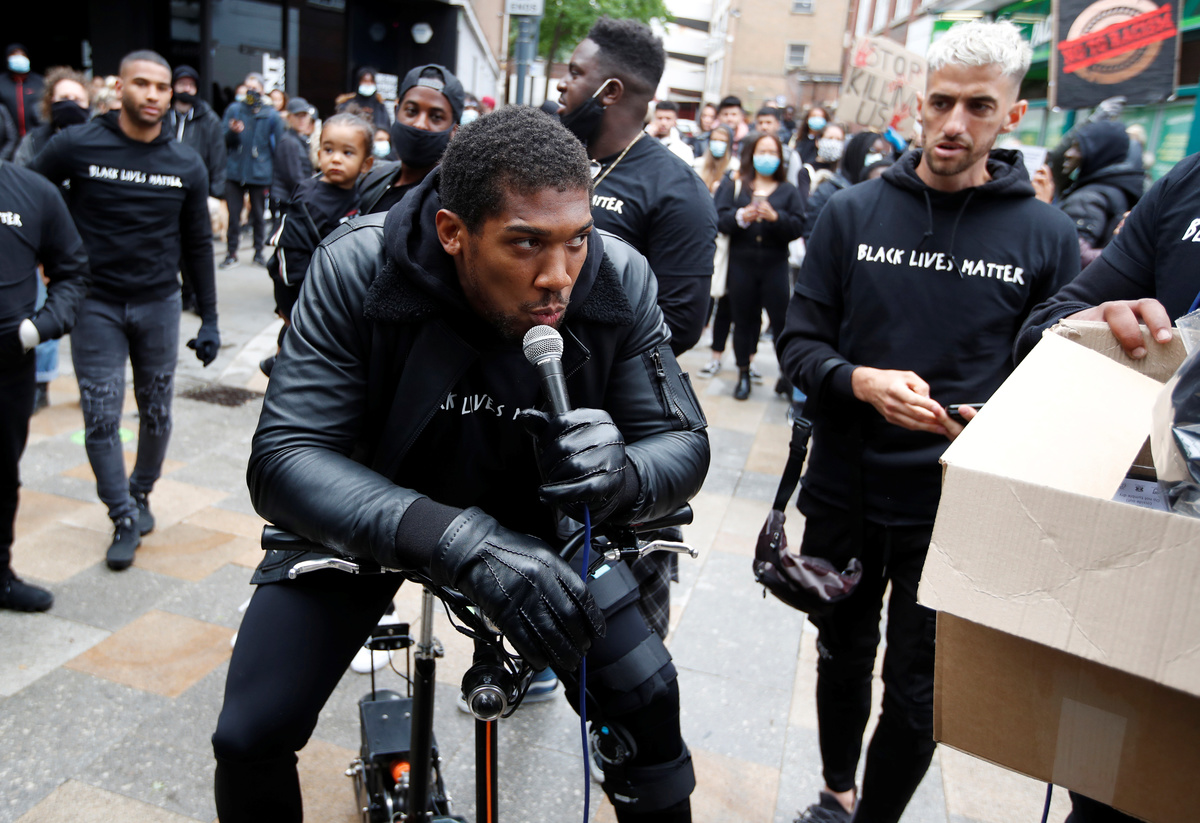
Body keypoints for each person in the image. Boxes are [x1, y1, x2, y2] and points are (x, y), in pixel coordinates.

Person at [210, 105, 708, 823]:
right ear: (452, 232)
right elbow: (285, 458)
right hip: (378, 511)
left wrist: (621, 472)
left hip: (547, 523)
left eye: (576, 240)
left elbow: (683, 443)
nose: (559, 277)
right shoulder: (357, 265)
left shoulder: (616, 275)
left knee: (648, 705)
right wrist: (458, 541)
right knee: (250, 733)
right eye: (525, 243)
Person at [776, 21, 1079, 823]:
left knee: (919, 692)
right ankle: (835, 792)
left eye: (979, 106)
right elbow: (798, 344)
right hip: (843, 490)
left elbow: (1054, 382)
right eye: (941, 102)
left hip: (956, 510)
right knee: (840, 655)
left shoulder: (1047, 235)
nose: (954, 123)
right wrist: (860, 380)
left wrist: (998, 419)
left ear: (1013, 116)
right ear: (917, 103)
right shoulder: (851, 212)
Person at [30, 50, 221, 572]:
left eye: (162, 87)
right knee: (100, 415)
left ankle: (140, 493)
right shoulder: (77, 144)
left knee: (156, 412)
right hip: (95, 304)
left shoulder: (186, 163)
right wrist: (46, 263)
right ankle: (121, 515)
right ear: (120, 88)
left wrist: (210, 318)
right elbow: (30, 194)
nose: (153, 95)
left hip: (159, 303)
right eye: (142, 84)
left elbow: (198, 245)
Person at [556, 17, 717, 359]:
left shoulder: (679, 191)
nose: (561, 84)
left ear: (610, 91)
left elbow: (679, 324)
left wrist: (576, 356)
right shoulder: (552, 160)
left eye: (575, 73)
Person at [0, 155, 90, 612]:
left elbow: (72, 270)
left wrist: (37, 329)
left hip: (7, 366)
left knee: (2, 473)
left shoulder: (33, 191)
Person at [262, 112, 372, 377]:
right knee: (297, 343)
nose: (336, 158)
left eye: (347, 152)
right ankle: (280, 367)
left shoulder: (357, 192)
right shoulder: (309, 198)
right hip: (299, 289)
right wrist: (298, 305)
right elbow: (289, 257)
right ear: (318, 152)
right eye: (328, 149)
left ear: (366, 164)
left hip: (329, 289)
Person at [716, 131, 805, 400]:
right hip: (741, 265)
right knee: (743, 319)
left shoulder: (788, 191)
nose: (767, 157)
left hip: (774, 265)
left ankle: (787, 374)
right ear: (752, 154)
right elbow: (718, 219)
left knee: (781, 321)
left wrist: (775, 218)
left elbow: (798, 226)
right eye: (762, 151)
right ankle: (743, 372)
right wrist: (742, 216)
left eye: (772, 152)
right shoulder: (736, 185)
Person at [359, 63, 463, 216]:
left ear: (454, 130)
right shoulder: (371, 178)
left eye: (436, 117)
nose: (420, 124)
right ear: (396, 111)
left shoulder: (450, 206)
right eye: (411, 111)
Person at [164, 64, 227, 313]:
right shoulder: (163, 116)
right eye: (182, 84)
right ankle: (183, 292)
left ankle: (198, 296)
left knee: (196, 246)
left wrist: (216, 193)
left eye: (190, 85)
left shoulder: (208, 120)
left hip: (196, 193)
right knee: (172, 246)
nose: (186, 89)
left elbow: (218, 157)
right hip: (166, 191)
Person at [1054, 119, 1143, 267]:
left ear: (1098, 153)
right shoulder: (1117, 188)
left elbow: (1073, 255)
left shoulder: (1087, 198)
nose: (1068, 153)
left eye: (1078, 148)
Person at [221, 71, 284, 268]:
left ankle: (258, 253)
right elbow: (222, 140)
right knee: (234, 216)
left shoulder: (271, 115)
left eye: (255, 88)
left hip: (260, 172)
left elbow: (279, 147)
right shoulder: (234, 110)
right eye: (248, 87)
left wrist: (276, 177)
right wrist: (233, 132)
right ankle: (231, 253)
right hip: (235, 171)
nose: (251, 91)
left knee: (258, 215)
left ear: (262, 90)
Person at [802, 130, 877, 242]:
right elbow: (812, 235)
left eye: (884, 153)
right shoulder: (829, 191)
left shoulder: (879, 194)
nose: (878, 158)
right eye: (873, 151)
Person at [269, 97, 316, 219]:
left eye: (304, 116)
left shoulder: (300, 139)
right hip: (286, 200)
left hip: (293, 198)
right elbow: (295, 177)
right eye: (297, 116)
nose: (302, 120)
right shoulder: (289, 141)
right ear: (289, 118)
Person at [0, 45, 44, 138]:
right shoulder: (1, 82)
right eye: (14, 54)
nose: (18, 57)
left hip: (35, 138)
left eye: (22, 54)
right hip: (8, 139)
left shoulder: (39, 82)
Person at [336, 66, 390, 132]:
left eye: (371, 81)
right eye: (365, 81)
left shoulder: (380, 106)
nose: (368, 84)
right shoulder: (347, 104)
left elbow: (385, 127)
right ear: (358, 83)